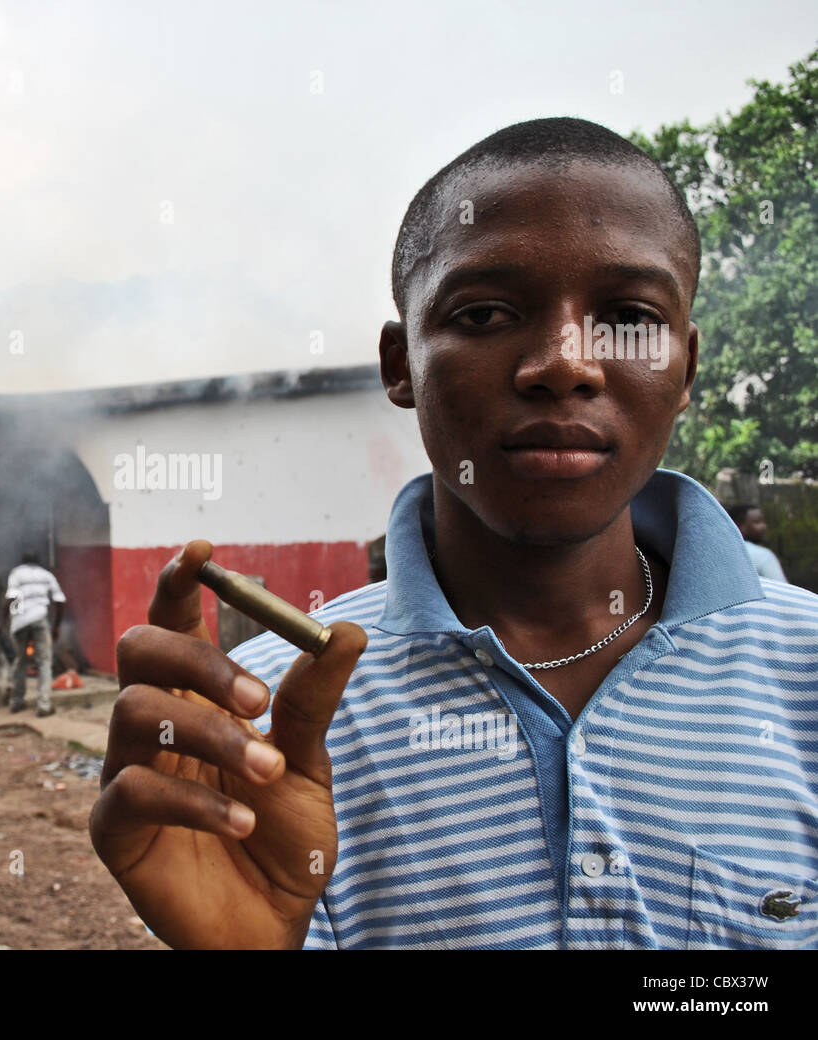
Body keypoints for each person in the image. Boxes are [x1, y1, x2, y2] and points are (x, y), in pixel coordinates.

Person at [90, 116, 818, 949]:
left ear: (685, 367)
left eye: (626, 315)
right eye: (483, 314)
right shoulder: (257, 731)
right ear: (401, 365)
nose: (565, 363)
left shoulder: (804, 677)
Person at [2, 550, 66, 717]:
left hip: (20, 621)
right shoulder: (46, 575)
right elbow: (59, 601)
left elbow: (11, 599)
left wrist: (5, 621)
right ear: (38, 561)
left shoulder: (16, 574)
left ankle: (17, 702)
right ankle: (43, 705)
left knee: (19, 661)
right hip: (40, 618)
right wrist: (56, 627)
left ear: (22, 560)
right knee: (44, 662)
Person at [726, 502, 788, 581]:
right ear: (738, 526)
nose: (764, 526)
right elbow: (781, 591)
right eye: (757, 522)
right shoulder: (763, 556)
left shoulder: (723, 553)